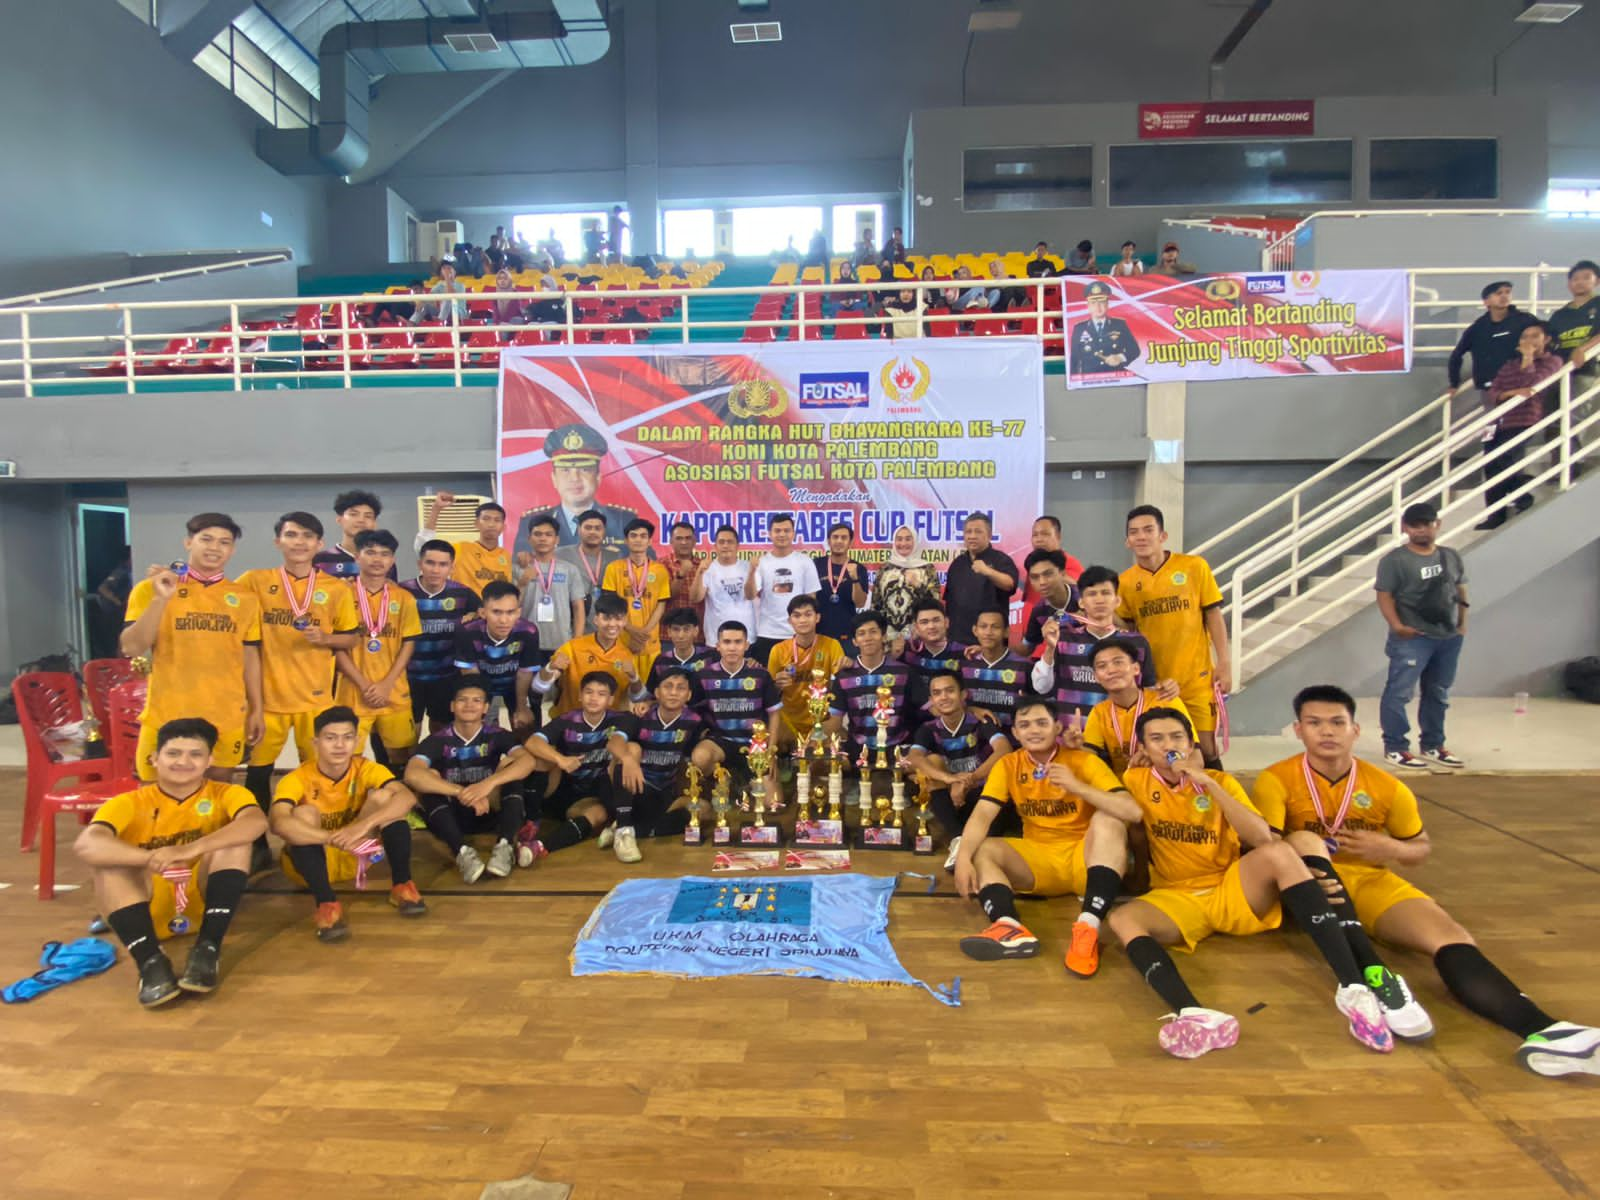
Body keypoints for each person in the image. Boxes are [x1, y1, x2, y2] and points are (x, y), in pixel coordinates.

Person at [1254, 685, 1600, 1075]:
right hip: (1312, 885)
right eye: (1315, 723)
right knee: (1303, 845)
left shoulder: (1388, 787)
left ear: (1356, 729)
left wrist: (1389, 848)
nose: (1327, 732)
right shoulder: (1275, 780)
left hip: (1370, 880)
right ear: (1298, 730)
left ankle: (1544, 1030)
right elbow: (1266, 847)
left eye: (1337, 722)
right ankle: (1372, 980)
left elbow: (1419, 848)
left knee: (1450, 938)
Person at [1088, 707, 1393, 1058]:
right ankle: (1193, 1013)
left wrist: (1211, 786)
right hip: (1178, 896)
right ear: (1143, 748)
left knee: (1279, 853)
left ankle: (1353, 988)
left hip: (1231, 886)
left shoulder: (1222, 783)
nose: (1168, 746)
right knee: (1123, 920)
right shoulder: (1134, 783)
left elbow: (1262, 837)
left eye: (1176, 737)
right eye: (1157, 739)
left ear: (1190, 744)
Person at [74, 718, 265, 1006]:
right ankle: (150, 961)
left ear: (209, 760)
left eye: (195, 754)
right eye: (173, 753)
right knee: (108, 861)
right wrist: (150, 858)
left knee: (235, 841)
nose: (183, 762)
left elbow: (256, 822)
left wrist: (190, 849)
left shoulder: (228, 793)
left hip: (201, 898)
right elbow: (87, 844)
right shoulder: (128, 802)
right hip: (145, 902)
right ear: (155, 759)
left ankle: (207, 948)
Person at [952, 696, 1130, 979]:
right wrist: (963, 857)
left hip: (1085, 859)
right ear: (1015, 733)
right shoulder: (1009, 764)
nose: (1033, 730)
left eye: (1041, 723)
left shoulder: (1083, 760)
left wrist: (1077, 786)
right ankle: (1008, 926)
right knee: (983, 849)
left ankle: (1088, 926)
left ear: (1057, 727)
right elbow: (983, 814)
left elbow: (1132, 811)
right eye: (1024, 724)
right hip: (1039, 861)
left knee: (1109, 819)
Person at [235, 512, 360, 826]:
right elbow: (218, 601)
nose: (299, 542)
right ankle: (258, 838)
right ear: (279, 541)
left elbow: (352, 638)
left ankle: (317, 831)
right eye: (291, 535)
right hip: (268, 700)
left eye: (307, 536)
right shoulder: (254, 581)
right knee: (258, 774)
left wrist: (326, 638)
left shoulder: (336, 589)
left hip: (315, 701)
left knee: (318, 772)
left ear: (319, 543)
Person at [121, 512, 263, 782]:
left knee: (217, 799)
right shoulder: (151, 589)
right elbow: (132, 648)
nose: (214, 548)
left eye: (224, 542)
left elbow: (249, 656)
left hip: (226, 715)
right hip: (166, 713)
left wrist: (256, 708)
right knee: (155, 801)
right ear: (188, 542)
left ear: (232, 550)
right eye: (206, 539)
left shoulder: (245, 598)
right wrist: (161, 599)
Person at [270, 706, 427, 942]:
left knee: (386, 799)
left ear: (356, 741)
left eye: (347, 738)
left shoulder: (366, 768)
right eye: (330, 738)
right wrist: (332, 838)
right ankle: (326, 903)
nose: (339, 745)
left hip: (356, 853)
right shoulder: (296, 778)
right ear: (315, 743)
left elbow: (407, 797)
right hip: (313, 862)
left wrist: (362, 827)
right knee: (303, 814)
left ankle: (402, 885)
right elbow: (278, 822)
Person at [1116, 506, 1229, 763]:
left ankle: (1214, 801)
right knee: (1164, 753)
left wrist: (1225, 663)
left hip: (1196, 680)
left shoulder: (1193, 567)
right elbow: (1129, 631)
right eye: (1134, 532)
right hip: (1157, 684)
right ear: (1127, 541)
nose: (1141, 537)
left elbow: (1213, 616)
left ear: (1162, 535)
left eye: (1148, 530)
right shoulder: (1125, 582)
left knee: (1207, 750)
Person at [404, 678, 539, 882]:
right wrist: (461, 792)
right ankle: (462, 852)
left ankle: (505, 846)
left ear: (485, 708)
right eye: (462, 700)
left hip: (488, 806)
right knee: (428, 780)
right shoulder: (438, 739)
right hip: (453, 813)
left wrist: (487, 785)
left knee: (512, 768)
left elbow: (528, 761)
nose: (469, 705)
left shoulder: (497, 735)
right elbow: (412, 774)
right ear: (452, 706)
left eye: (476, 700)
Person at [1374, 502, 1467, 770]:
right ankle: (1395, 747)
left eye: (1427, 524)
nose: (1422, 530)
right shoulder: (1395, 561)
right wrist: (1397, 626)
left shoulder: (1450, 556)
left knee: (1438, 692)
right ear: (1405, 528)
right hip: (1412, 637)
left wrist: (1462, 624)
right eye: (1415, 525)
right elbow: (1384, 595)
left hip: (1448, 636)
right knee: (1399, 692)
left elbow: (1460, 589)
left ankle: (1433, 745)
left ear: (1437, 525)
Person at [521, 672, 638, 859]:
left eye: (601, 694)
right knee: (542, 758)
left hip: (600, 792)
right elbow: (532, 742)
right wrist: (561, 759)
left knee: (598, 814)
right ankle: (531, 821)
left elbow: (622, 744)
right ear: (579, 696)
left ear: (611, 699)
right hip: (565, 788)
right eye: (589, 692)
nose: (594, 698)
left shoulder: (622, 719)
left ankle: (541, 846)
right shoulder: (567, 720)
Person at [331, 529, 422, 764]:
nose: (377, 559)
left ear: (392, 560)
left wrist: (387, 683)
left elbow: (408, 643)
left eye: (384, 554)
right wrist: (364, 685)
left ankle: (399, 799)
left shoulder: (404, 598)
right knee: (348, 756)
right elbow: (336, 646)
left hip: (394, 690)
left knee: (401, 754)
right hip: (352, 692)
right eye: (370, 552)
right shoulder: (341, 594)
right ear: (357, 557)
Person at [905, 671, 1013, 866]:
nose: (944, 697)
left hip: (985, 799)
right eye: (937, 693)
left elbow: (1005, 749)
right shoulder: (928, 728)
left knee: (1003, 772)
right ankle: (957, 839)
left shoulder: (982, 722)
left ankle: (972, 849)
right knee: (933, 761)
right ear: (931, 700)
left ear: (963, 695)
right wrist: (949, 779)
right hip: (953, 800)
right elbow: (914, 758)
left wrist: (969, 779)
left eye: (949, 691)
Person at [605, 666, 713, 860]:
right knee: (631, 749)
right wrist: (628, 759)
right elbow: (614, 743)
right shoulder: (639, 716)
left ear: (688, 695)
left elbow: (689, 760)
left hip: (665, 793)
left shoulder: (694, 722)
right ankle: (624, 831)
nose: (673, 692)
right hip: (635, 788)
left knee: (703, 811)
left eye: (680, 688)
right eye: (668, 686)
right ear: (656, 693)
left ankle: (637, 828)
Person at [1035, 563, 1159, 723]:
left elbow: (1149, 691)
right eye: (1092, 594)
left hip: (1120, 736)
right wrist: (1050, 649)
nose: (1099, 599)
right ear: (1081, 602)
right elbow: (1041, 687)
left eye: (1105, 593)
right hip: (1072, 736)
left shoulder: (1137, 642)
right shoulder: (1063, 638)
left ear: (1117, 601)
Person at [1478, 321, 1561, 529]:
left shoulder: (1553, 361)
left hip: (1523, 419)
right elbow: (1494, 391)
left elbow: (1533, 384)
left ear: (1547, 340)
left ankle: (1523, 494)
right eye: (1524, 337)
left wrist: (1528, 358)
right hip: (1496, 421)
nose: (1528, 341)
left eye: (1534, 336)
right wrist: (1510, 393)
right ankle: (1496, 515)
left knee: (1507, 461)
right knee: (1491, 466)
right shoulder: (1509, 364)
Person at [693, 620, 784, 798]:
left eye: (738, 642)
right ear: (718, 646)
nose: (732, 647)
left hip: (754, 745)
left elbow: (774, 714)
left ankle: (745, 783)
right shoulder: (703, 676)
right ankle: (722, 780)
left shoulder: (761, 675)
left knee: (773, 802)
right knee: (700, 757)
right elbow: (694, 712)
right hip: (720, 742)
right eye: (727, 642)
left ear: (746, 645)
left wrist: (770, 753)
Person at [401, 540, 482, 738]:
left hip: (446, 678)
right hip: (408, 677)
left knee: (441, 731)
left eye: (443, 564)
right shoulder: (402, 592)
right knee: (409, 733)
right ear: (420, 564)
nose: (436, 570)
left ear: (452, 567)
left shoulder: (463, 594)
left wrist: (475, 616)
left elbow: (483, 615)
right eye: (430, 563)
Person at [514, 423, 638, 552]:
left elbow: (644, 562)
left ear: (598, 478)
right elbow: (520, 566)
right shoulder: (532, 523)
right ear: (554, 479)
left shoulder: (623, 520)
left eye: (584, 469)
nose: (575, 478)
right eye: (565, 470)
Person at [1081, 638, 1186, 776]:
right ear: (1096, 677)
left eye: (1118, 662)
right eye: (1102, 666)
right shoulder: (1099, 712)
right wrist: (1077, 748)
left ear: (1136, 668)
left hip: (1166, 784)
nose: (1111, 670)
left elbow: (1195, 757)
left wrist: (1158, 759)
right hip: (1122, 789)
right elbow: (1088, 758)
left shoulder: (1166, 700)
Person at [533, 591, 650, 715]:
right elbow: (539, 686)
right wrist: (550, 668)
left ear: (625, 621)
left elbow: (637, 697)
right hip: (568, 721)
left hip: (608, 725)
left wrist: (634, 677)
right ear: (596, 620)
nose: (612, 624)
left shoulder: (626, 654)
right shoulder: (573, 648)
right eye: (606, 618)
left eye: (618, 619)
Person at [452, 580, 543, 734]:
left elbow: (524, 673)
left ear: (518, 613)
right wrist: (481, 711)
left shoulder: (529, 632)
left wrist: (521, 708)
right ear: (482, 613)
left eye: (510, 612)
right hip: (482, 683)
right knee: (480, 730)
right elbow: (471, 677)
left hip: (515, 685)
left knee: (525, 727)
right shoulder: (466, 632)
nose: (503, 620)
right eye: (496, 612)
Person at [824, 611, 916, 758]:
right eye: (861, 634)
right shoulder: (844, 676)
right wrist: (817, 739)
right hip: (858, 750)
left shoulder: (903, 672)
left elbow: (916, 714)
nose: (868, 638)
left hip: (897, 748)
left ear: (884, 636)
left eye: (873, 632)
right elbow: (835, 719)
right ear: (854, 641)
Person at [767, 595, 846, 753]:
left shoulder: (832, 645)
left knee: (832, 756)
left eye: (808, 614)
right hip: (788, 720)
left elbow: (839, 688)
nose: (803, 620)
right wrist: (777, 685)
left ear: (817, 617)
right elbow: (768, 695)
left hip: (821, 719)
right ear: (790, 621)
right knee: (773, 744)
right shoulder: (778, 650)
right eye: (797, 615)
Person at [746, 513, 821, 665]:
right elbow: (750, 595)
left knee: (799, 682)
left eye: (786, 530)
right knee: (769, 682)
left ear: (793, 533)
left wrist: (807, 629)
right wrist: (751, 571)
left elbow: (811, 599)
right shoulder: (762, 562)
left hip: (798, 633)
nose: (782, 534)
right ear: (769, 534)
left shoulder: (805, 562)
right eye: (777, 530)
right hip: (768, 632)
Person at [1447, 281, 1535, 402]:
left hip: (1520, 384)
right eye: (1499, 293)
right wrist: (1454, 383)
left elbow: (1545, 339)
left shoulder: (1525, 320)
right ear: (1486, 301)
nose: (1504, 296)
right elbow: (1457, 355)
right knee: (1494, 419)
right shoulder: (1478, 328)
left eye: (1508, 292)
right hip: (1491, 388)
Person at [515, 514, 588, 652]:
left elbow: (578, 607)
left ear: (556, 539)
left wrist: (577, 639)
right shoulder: (518, 568)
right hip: (527, 641)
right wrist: (522, 583)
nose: (543, 538)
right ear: (530, 539)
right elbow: (511, 606)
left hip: (562, 642)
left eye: (548, 534)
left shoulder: (569, 569)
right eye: (537, 534)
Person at [943, 512, 1018, 644]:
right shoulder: (957, 563)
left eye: (978, 532)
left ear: (989, 535)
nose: (972, 536)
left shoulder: (1001, 560)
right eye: (968, 532)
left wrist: (988, 571)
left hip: (989, 640)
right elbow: (949, 601)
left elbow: (1009, 584)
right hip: (957, 639)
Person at [603, 518, 672, 659]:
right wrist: (632, 631)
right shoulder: (613, 568)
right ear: (626, 541)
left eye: (643, 536)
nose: (638, 540)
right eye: (633, 535)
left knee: (650, 681)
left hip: (650, 642)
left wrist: (643, 634)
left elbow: (661, 606)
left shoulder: (660, 570)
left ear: (650, 541)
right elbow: (610, 605)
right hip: (621, 640)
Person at [958, 607, 1035, 732]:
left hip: (1016, 742)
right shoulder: (965, 665)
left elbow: (1041, 705)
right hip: (974, 743)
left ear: (1006, 632)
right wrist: (970, 710)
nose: (988, 632)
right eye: (983, 626)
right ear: (975, 630)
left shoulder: (1024, 666)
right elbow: (954, 704)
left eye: (995, 627)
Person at [416, 492, 512, 591]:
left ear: (503, 527)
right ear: (476, 523)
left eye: (497, 520)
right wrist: (436, 509)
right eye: (486, 519)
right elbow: (423, 547)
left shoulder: (506, 556)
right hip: (464, 605)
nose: (491, 524)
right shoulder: (461, 549)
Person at [870, 525, 940, 650]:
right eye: (899, 539)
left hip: (918, 634)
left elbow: (934, 603)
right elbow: (876, 604)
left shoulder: (927, 568)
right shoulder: (885, 568)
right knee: (890, 669)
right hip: (888, 635)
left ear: (915, 541)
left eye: (908, 539)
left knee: (915, 668)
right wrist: (877, 631)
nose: (903, 543)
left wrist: (918, 586)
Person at [899, 598, 969, 713]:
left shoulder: (964, 653)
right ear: (916, 627)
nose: (931, 626)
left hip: (951, 718)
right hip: (915, 721)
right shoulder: (907, 652)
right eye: (924, 622)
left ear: (946, 622)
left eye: (936, 620)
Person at [560, 510, 624, 630]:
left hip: (605, 624)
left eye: (597, 528)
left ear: (604, 531)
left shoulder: (615, 557)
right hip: (572, 624)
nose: (592, 532)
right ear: (579, 530)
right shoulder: (561, 554)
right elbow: (541, 559)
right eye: (588, 528)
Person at [692, 524, 757, 645]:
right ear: (715, 546)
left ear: (737, 546)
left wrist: (752, 572)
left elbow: (750, 596)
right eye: (721, 542)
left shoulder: (747, 566)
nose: (725, 545)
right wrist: (699, 573)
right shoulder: (708, 568)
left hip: (745, 638)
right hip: (716, 639)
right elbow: (696, 598)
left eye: (730, 542)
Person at [1013, 515, 1085, 623]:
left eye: (1045, 534)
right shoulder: (1032, 564)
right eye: (1035, 535)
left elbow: (1078, 590)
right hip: (1031, 629)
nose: (1039, 539)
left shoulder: (1070, 562)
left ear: (1058, 536)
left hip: (1056, 629)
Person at [813, 522, 870, 645]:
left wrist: (854, 579)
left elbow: (860, 603)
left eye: (844, 538)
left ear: (850, 543)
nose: (839, 541)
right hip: (819, 633)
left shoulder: (859, 568)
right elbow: (809, 599)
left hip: (847, 634)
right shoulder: (816, 565)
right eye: (835, 537)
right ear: (829, 541)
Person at [312, 489, 386, 581]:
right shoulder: (320, 559)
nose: (361, 520)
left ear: (374, 523)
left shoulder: (383, 559)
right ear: (339, 519)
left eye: (368, 516)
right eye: (354, 514)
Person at [1070, 281, 1141, 375]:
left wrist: (1120, 357)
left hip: (1115, 376)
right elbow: (1074, 359)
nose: (1098, 307)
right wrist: (1074, 380)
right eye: (1093, 303)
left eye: (1102, 302)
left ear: (1107, 304)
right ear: (1088, 306)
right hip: (1089, 379)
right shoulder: (1079, 328)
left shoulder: (1120, 325)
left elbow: (1134, 350)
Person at [1545, 258, 1600, 379]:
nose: (1580, 282)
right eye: (1575, 279)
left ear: (1597, 281)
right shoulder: (1559, 315)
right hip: (1561, 372)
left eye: (1586, 278)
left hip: (1589, 372)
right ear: (1569, 284)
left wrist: (1582, 349)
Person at [1018, 548, 1079, 652]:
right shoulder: (1038, 611)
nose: (1042, 582)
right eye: (1035, 577)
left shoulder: (1085, 598)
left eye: (1048, 574)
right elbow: (1027, 647)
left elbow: (1113, 627)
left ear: (1062, 573)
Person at [646, 607, 714, 694]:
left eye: (686, 629)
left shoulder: (710, 657)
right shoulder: (661, 661)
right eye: (676, 629)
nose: (681, 635)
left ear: (696, 631)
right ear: (669, 632)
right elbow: (652, 694)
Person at [662, 520, 704, 625]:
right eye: (679, 538)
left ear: (695, 541)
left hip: (697, 632)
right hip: (668, 632)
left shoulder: (703, 566)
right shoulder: (660, 565)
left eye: (688, 538)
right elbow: (666, 596)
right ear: (671, 541)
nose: (684, 542)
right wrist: (682, 574)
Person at [418, 255, 467, 325]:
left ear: (455, 272)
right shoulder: (439, 284)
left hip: (457, 311)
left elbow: (451, 295)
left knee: (447, 299)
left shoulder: (460, 285)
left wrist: (447, 277)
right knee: (425, 305)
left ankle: (440, 323)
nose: (446, 271)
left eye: (449, 268)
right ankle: (412, 325)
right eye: (444, 269)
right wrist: (421, 302)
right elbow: (430, 296)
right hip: (443, 311)